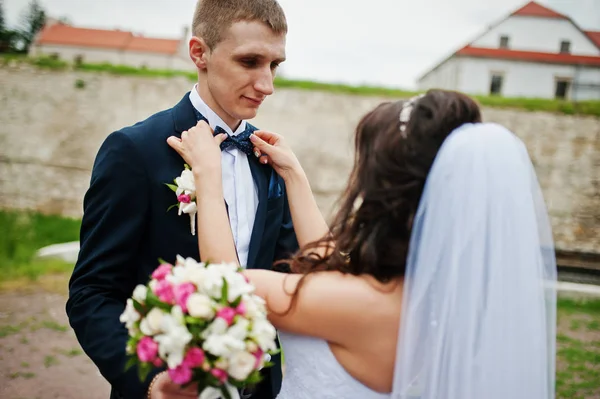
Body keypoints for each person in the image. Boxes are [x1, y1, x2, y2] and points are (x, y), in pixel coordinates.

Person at [169, 89, 557, 398]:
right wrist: (295, 177)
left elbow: (224, 282)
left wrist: (207, 173)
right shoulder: (433, 293)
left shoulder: (359, 305)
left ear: (388, 191)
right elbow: (332, 263)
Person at [66, 1, 298, 398]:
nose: (267, 84)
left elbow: (287, 272)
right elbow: (92, 294)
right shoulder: (134, 151)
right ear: (199, 53)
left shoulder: (269, 157)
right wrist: (153, 381)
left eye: (274, 65)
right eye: (250, 62)